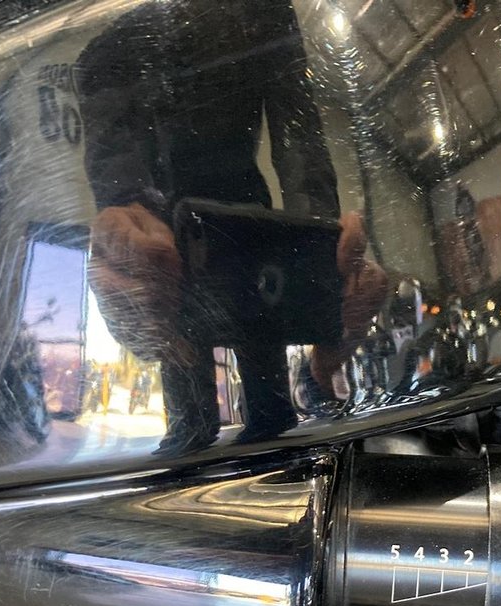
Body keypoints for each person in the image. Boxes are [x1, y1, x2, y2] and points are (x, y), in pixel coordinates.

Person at [78, 0, 386, 452]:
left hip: (220, 217)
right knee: (199, 360)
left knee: (252, 355)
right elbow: (297, 127)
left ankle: (247, 424)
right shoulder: (122, 34)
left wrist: (321, 242)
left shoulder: (261, 13)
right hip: (193, 221)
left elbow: (297, 127)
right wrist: (127, 214)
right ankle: (212, 427)